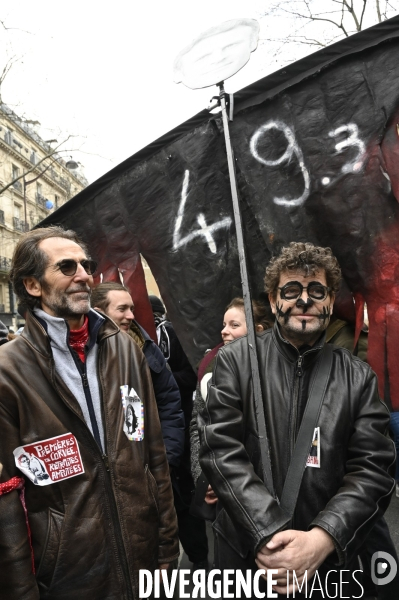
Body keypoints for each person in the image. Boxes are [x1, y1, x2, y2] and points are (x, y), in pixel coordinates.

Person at [198, 242, 395, 599]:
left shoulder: (358, 377)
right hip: (247, 555)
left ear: (330, 302)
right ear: (274, 301)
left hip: (328, 564)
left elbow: (373, 470)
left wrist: (322, 539)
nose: (304, 300)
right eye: (292, 290)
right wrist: (266, 533)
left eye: (316, 290)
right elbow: (219, 450)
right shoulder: (235, 362)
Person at [0, 226, 178, 599]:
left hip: (144, 561)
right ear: (33, 286)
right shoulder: (7, 372)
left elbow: (153, 456)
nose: (84, 275)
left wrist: (166, 549)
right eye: (66, 267)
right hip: (70, 578)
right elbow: (6, 501)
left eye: (86, 264)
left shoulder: (126, 349)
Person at [91, 282, 185, 470]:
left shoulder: (147, 350)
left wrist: (166, 459)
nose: (131, 316)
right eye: (122, 309)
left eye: (131, 308)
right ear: (98, 312)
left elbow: (169, 406)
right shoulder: (84, 356)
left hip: (146, 465)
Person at [149, 295, 209, 572]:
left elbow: (192, 374)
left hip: (179, 431)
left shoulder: (173, 335)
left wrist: (163, 377)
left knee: (183, 497)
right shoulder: (118, 347)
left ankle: (198, 556)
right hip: (147, 442)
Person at [190, 297, 272, 489]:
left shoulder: (274, 370)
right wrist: (203, 475)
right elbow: (197, 426)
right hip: (219, 483)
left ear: (258, 330)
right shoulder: (210, 368)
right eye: (224, 324)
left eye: (234, 325)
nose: (224, 331)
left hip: (263, 483)